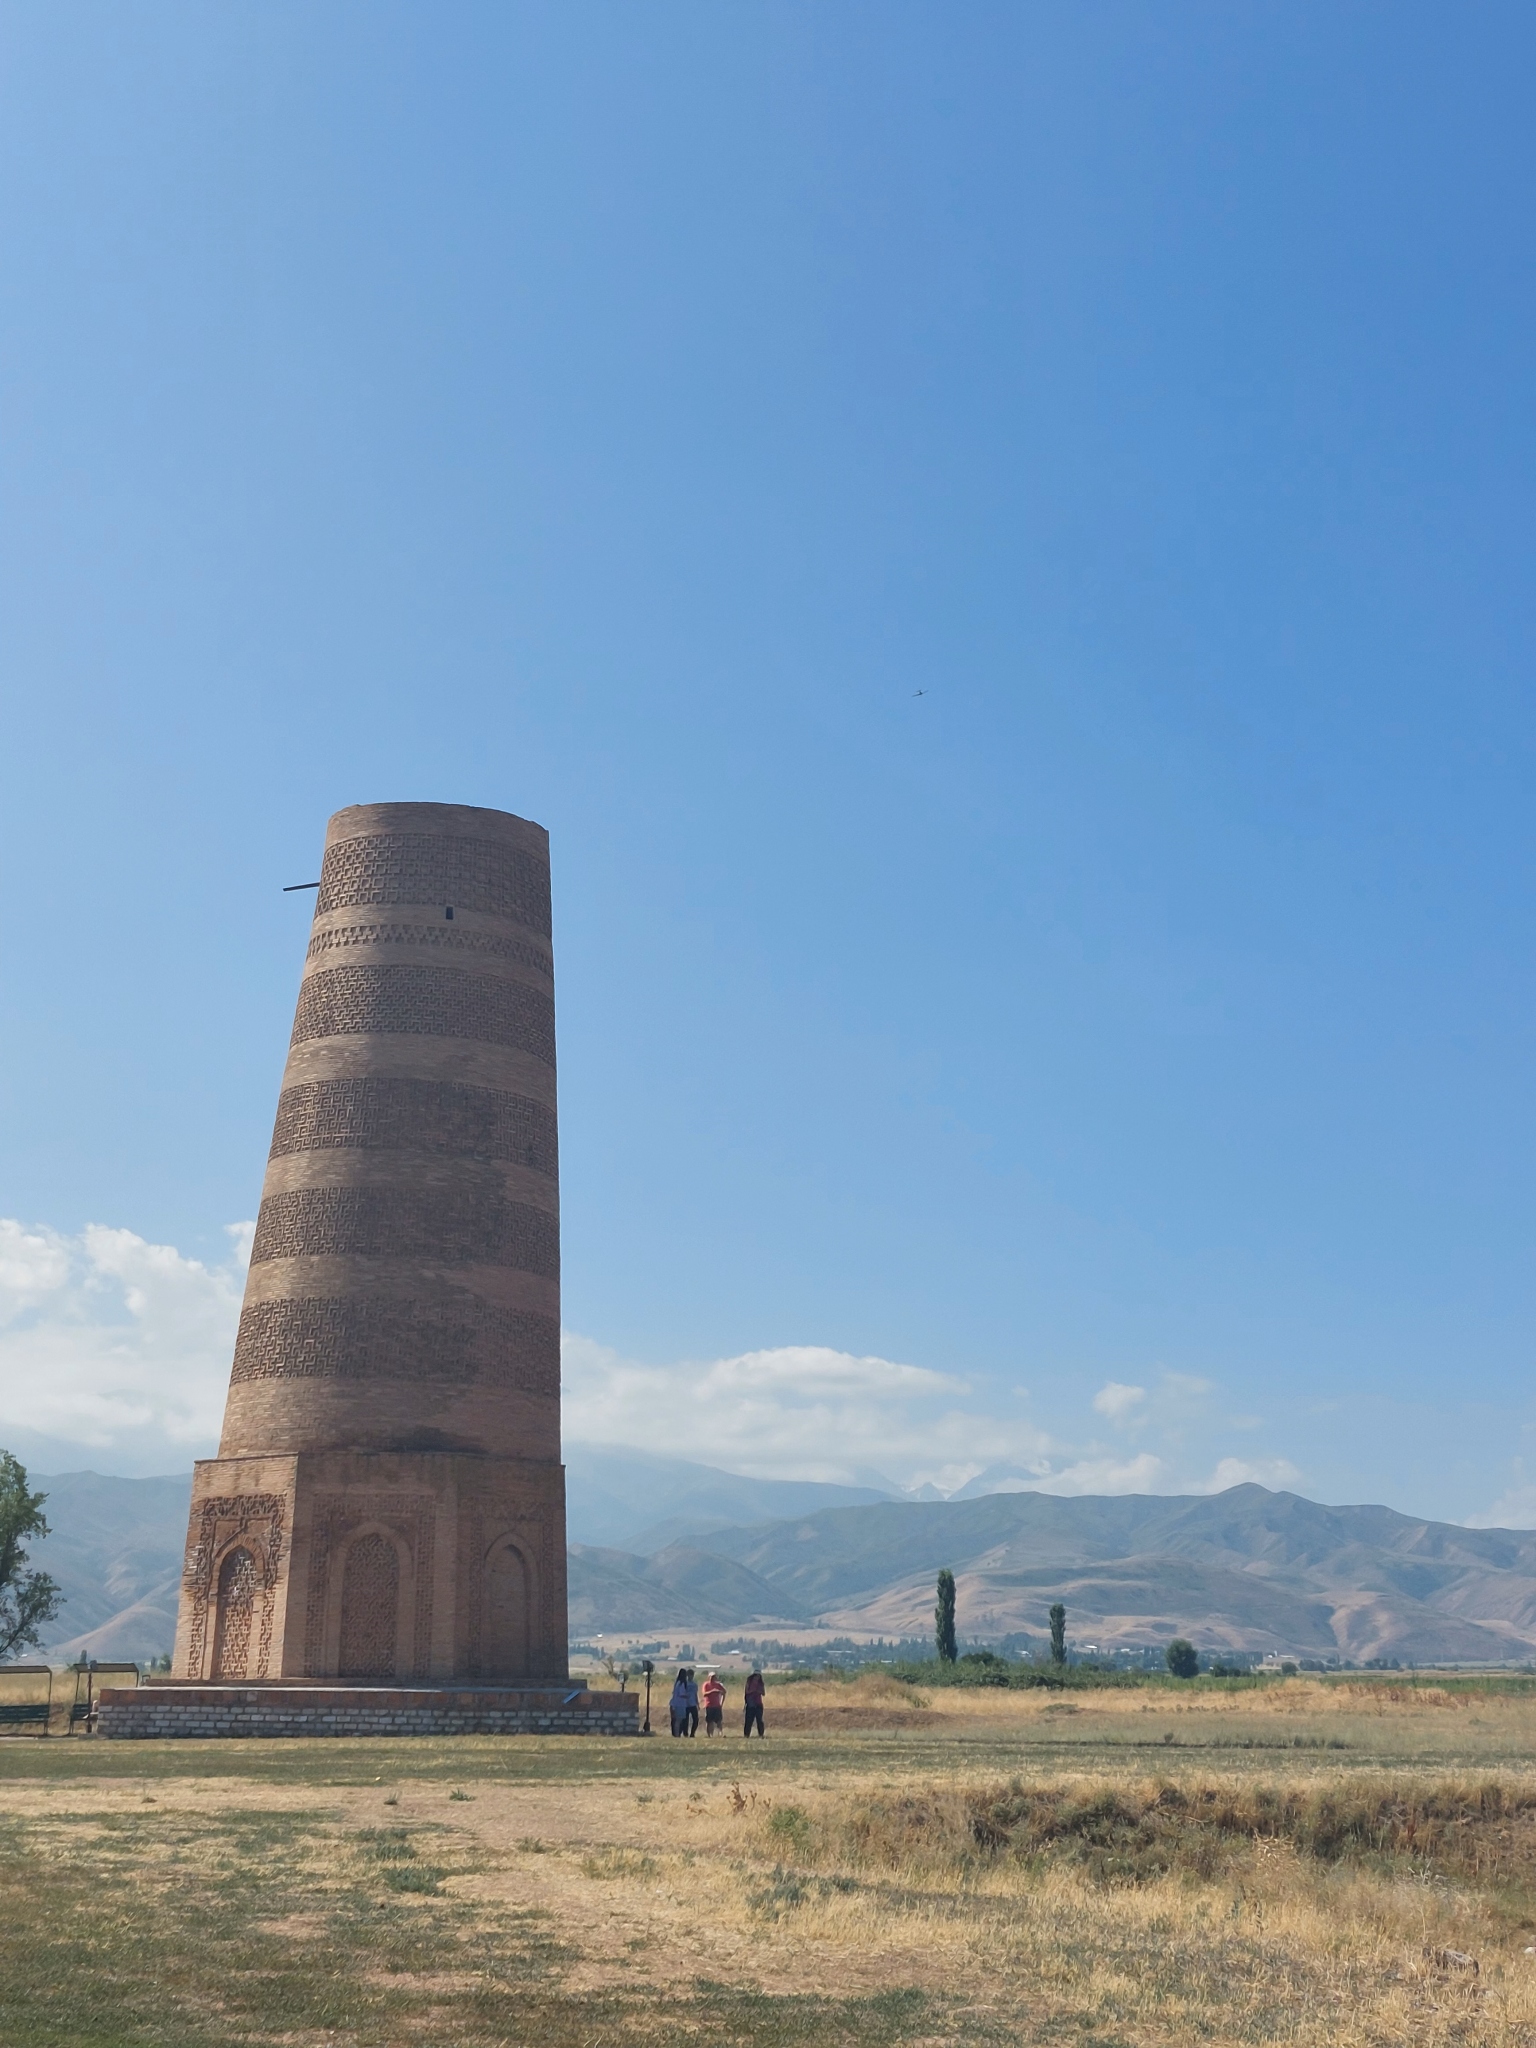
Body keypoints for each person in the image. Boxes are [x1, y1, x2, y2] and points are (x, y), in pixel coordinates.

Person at [743, 1666, 765, 1739]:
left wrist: (758, 1691)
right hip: (750, 1704)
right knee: (749, 1720)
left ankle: (761, 1734)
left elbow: (763, 1693)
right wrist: (753, 1691)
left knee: (759, 1720)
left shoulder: (761, 1684)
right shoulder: (749, 1682)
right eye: (756, 1675)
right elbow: (746, 1692)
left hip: (758, 1703)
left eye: (758, 1676)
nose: (757, 1677)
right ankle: (746, 1735)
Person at [702, 1669, 725, 1736]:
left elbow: (724, 1692)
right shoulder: (706, 1684)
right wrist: (713, 1691)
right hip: (709, 1705)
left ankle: (720, 1733)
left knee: (719, 1721)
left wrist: (721, 1702)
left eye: (714, 1677)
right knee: (709, 1721)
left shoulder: (718, 1685)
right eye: (711, 1677)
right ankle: (709, 1734)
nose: (712, 1678)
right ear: (709, 1677)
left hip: (717, 1705)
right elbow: (704, 1694)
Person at [669, 1668, 690, 1738]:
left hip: (674, 1703)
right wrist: (687, 1696)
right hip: (680, 1704)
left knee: (676, 1720)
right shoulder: (682, 1683)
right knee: (678, 1720)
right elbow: (681, 1694)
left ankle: (676, 1733)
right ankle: (677, 1733)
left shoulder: (677, 1683)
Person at [684, 1667, 700, 1737]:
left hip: (693, 1704)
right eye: (689, 1675)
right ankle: (685, 1733)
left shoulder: (694, 1684)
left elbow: (695, 1694)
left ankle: (692, 1733)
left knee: (696, 1720)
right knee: (685, 1720)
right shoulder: (684, 1684)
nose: (690, 1676)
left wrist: (697, 1703)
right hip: (685, 1704)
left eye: (691, 1675)